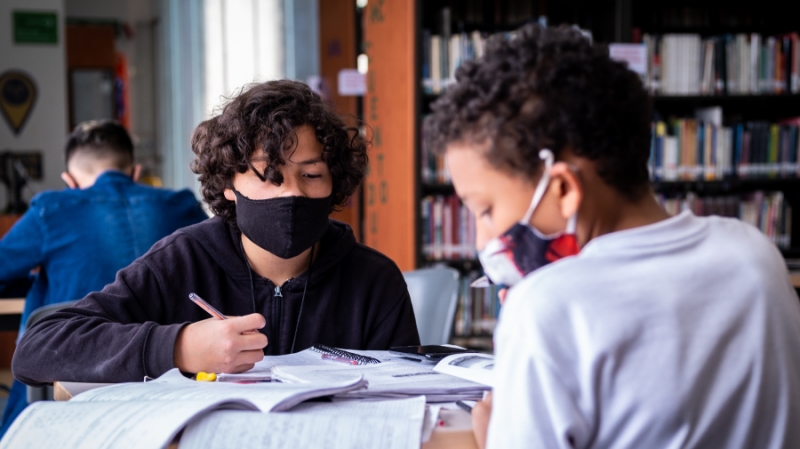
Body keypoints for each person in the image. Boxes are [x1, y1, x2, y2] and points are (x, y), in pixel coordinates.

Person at [428, 24, 800, 449]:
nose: (483, 240)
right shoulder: (754, 254)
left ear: (563, 189)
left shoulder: (546, 309)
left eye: (486, 210)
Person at [12, 80, 420, 387]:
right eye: (270, 176)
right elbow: (36, 348)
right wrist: (179, 347)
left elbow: (409, 393)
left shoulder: (374, 279)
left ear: (336, 182)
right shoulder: (182, 259)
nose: (293, 192)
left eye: (312, 175)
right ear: (229, 183)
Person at [0, 120, 208, 435]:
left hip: (71, 373)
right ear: (135, 172)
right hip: (172, 372)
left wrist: (35, 283)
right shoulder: (180, 205)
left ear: (69, 181)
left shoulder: (51, 209)